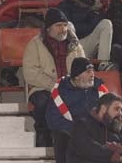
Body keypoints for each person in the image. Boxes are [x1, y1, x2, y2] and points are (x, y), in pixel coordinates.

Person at [23, 9, 85, 146]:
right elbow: (30, 72)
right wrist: (54, 85)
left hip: (71, 88)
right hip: (44, 88)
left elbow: (84, 69)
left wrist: (72, 85)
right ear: (48, 28)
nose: (63, 29)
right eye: (58, 25)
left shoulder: (75, 45)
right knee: (42, 102)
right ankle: (43, 134)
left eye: (64, 25)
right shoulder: (35, 44)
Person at [45, 57, 107, 163]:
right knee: (60, 137)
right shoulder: (61, 90)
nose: (92, 74)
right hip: (71, 132)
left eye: (92, 70)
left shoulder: (99, 89)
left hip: (96, 131)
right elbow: (53, 119)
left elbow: (111, 114)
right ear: (77, 75)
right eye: (88, 71)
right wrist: (78, 130)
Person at [58, 0, 115, 69]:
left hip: (86, 47)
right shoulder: (65, 6)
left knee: (106, 23)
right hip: (70, 50)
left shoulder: (94, 6)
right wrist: (95, 17)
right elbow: (75, 31)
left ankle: (103, 64)